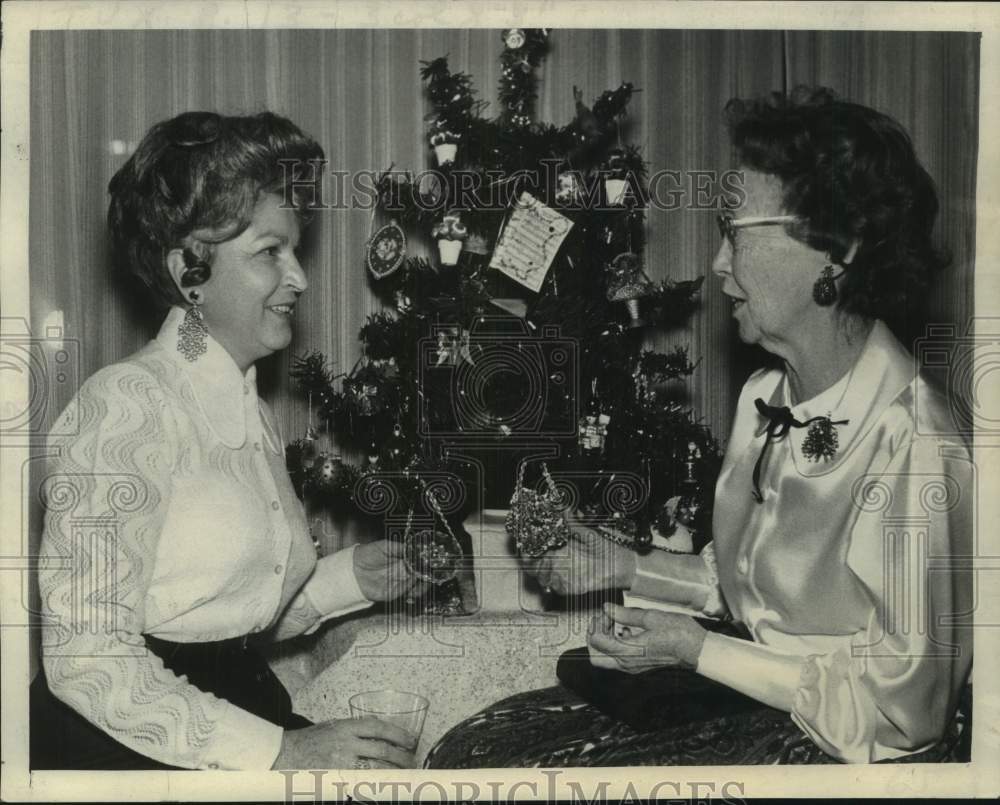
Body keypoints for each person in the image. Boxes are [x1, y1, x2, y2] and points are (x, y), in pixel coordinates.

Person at [425, 88, 973, 766]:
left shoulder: (917, 441)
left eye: (734, 232)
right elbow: (749, 587)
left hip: (847, 748)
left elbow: (904, 713)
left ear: (837, 250)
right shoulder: (765, 396)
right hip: (750, 698)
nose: (717, 264)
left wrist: (699, 650)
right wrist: (623, 564)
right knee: (470, 749)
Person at [31, 111, 423, 771]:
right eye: (270, 252)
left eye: (294, 250)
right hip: (123, 748)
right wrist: (280, 750)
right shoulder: (126, 407)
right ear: (190, 271)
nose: (298, 277)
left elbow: (213, 618)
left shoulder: (247, 407)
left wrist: (351, 578)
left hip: (232, 713)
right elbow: (87, 659)